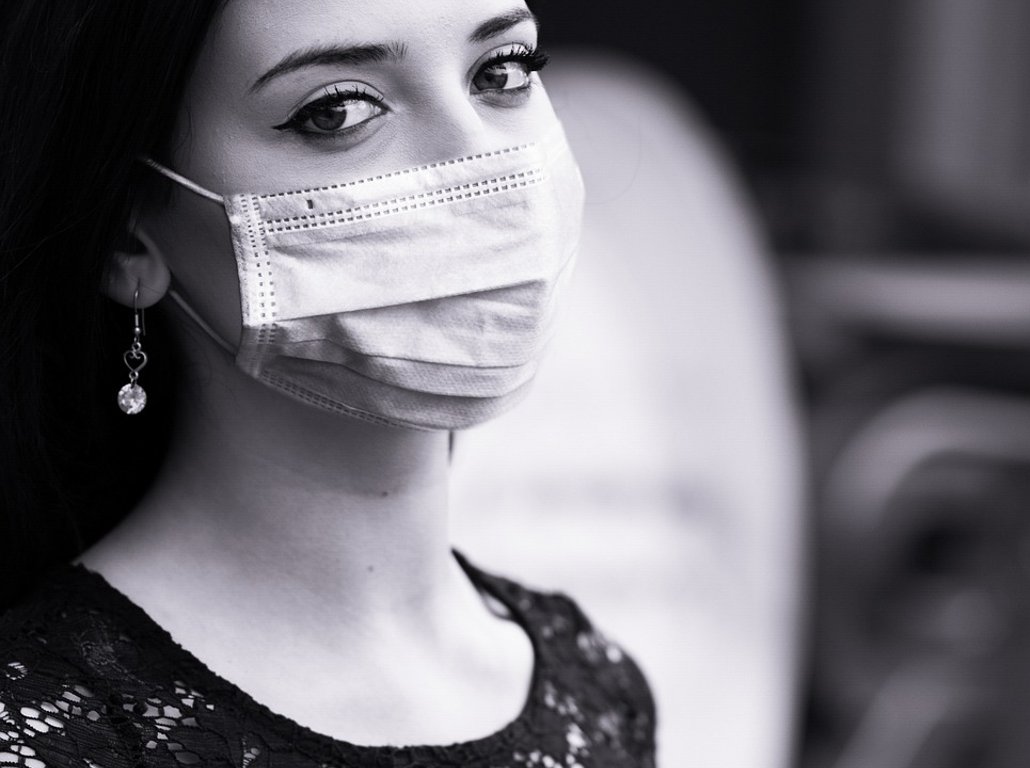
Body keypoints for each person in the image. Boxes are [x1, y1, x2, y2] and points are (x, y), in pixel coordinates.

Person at [0, 0, 656, 765]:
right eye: (336, 110)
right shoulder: (41, 730)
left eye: (503, 72)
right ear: (126, 239)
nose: (482, 155)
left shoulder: (598, 687)